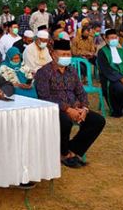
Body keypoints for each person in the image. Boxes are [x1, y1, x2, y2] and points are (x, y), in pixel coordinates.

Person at [35, 40, 106, 168]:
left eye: (68, 54)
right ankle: (63, 154)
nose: (66, 57)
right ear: (53, 54)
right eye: (63, 54)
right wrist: (68, 109)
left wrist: (84, 108)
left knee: (98, 121)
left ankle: (72, 151)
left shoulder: (72, 71)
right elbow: (44, 97)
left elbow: (81, 92)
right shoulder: (43, 72)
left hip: (75, 107)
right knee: (65, 121)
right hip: (55, 109)